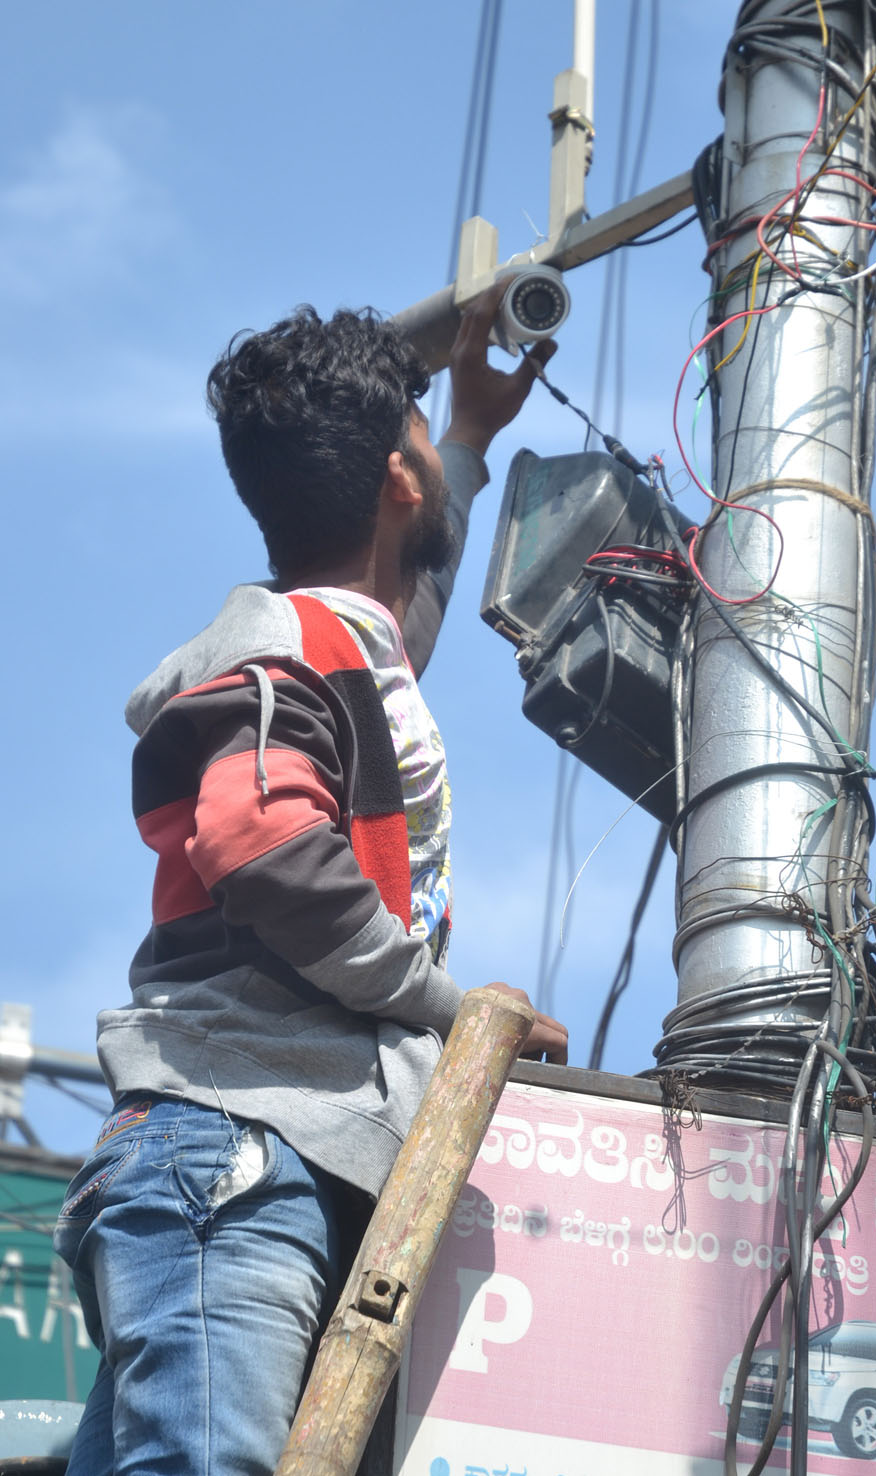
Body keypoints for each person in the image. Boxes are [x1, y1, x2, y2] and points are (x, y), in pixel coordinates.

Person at [53, 286, 568, 1476]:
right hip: (235, 1151)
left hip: (251, 1157)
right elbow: (264, 846)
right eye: (427, 445)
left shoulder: (343, 647)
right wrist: (447, 1010)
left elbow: (398, 623)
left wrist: (473, 441)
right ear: (398, 481)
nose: (437, 460)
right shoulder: (290, 650)